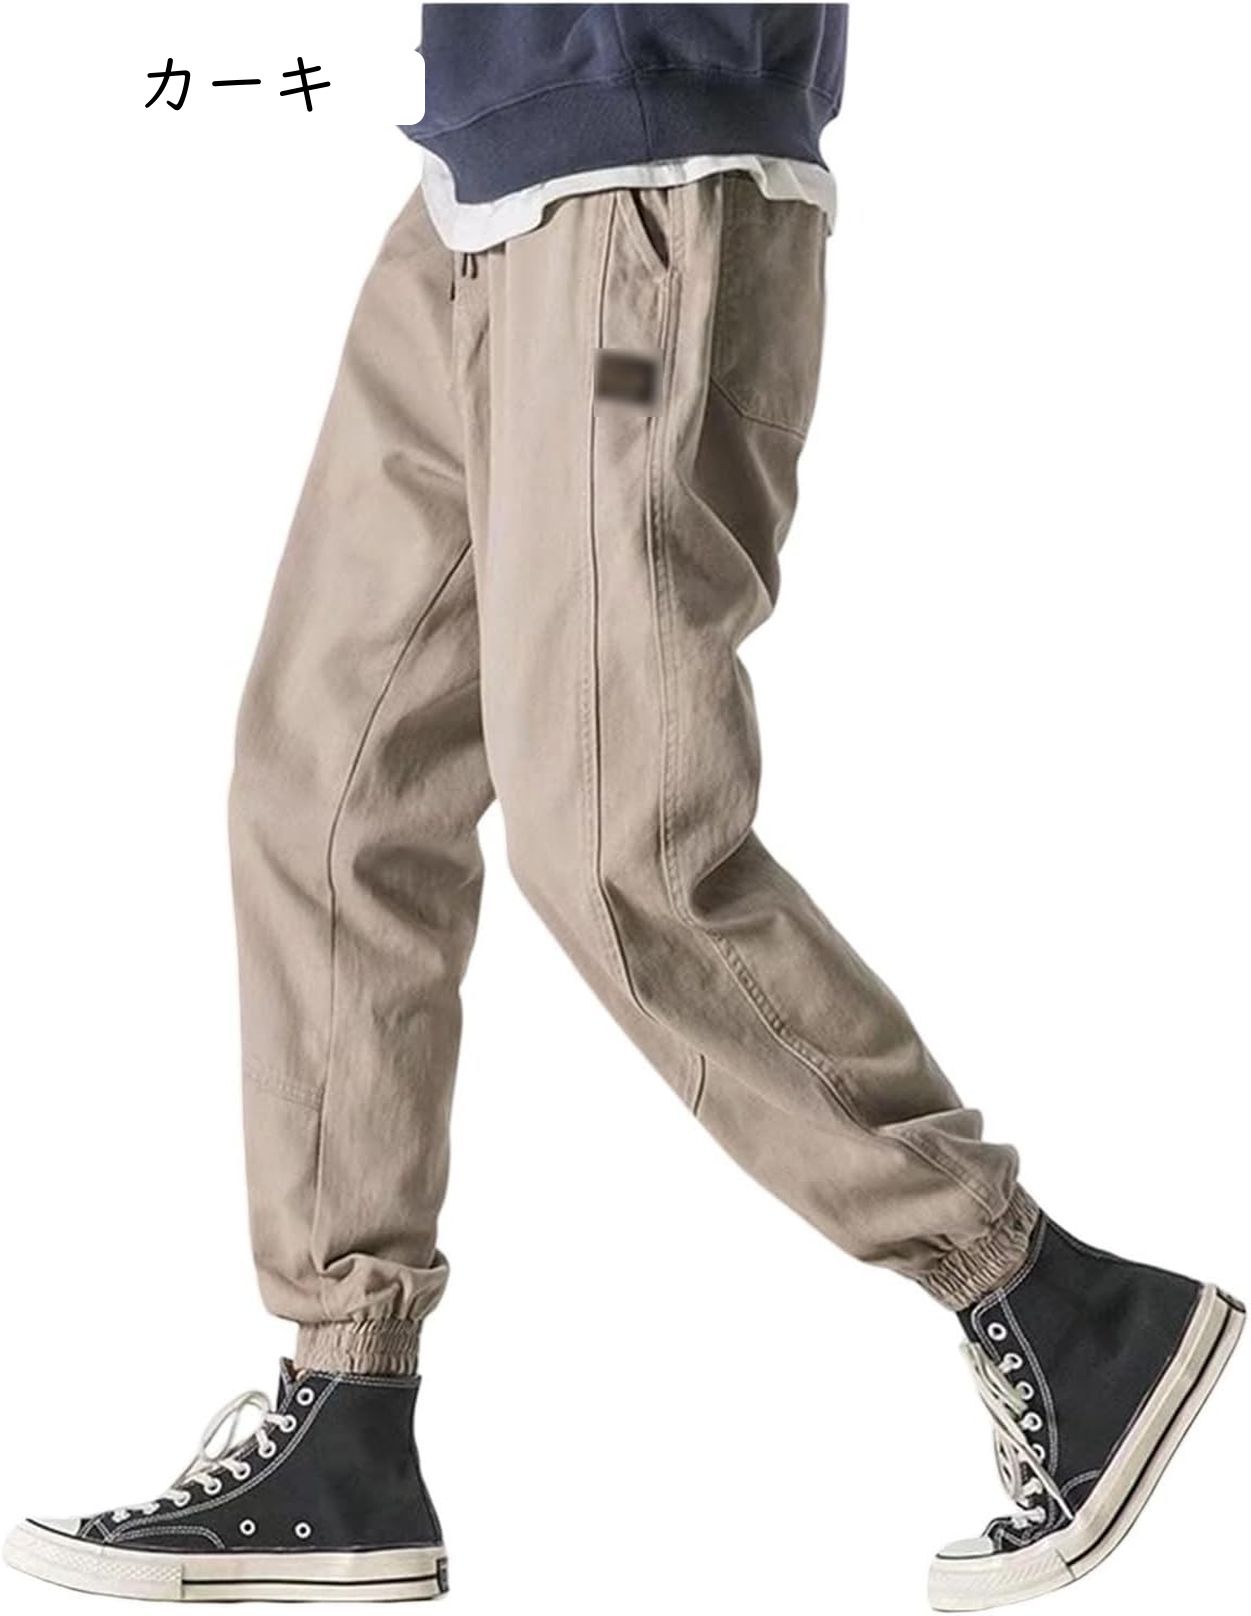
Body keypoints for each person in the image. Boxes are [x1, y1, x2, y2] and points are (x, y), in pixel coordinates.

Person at [3, 6, 1240, 1610]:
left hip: (643, 166)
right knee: (328, 786)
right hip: (482, 180)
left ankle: (1054, 1302)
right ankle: (345, 1421)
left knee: (617, 832)